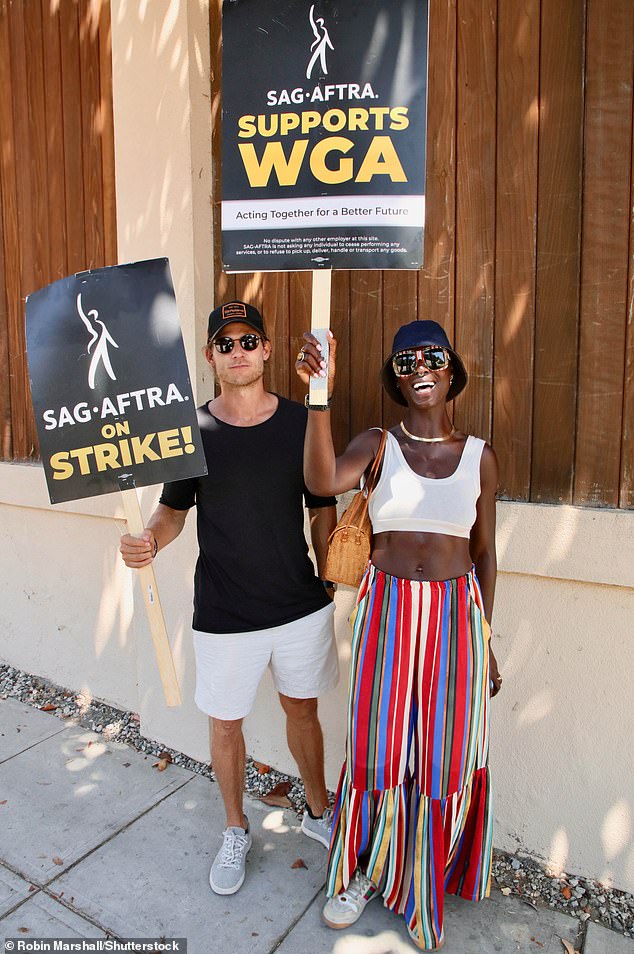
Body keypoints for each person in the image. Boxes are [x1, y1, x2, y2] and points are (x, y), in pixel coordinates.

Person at [120, 300, 339, 896]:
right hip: (224, 611)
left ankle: (319, 813)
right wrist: (149, 542)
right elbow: (172, 511)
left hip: (298, 601)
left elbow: (323, 505)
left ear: (266, 350)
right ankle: (237, 828)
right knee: (225, 725)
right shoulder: (192, 430)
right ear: (211, 356)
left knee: (303, 712)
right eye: (225, 343)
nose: (238, 351)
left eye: (248, 340)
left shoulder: (301, 421)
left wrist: (331, 575)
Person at [295, 319, 502, 951]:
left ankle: (424, 876)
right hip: (388, 607)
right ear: (396, 374)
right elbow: (324, 481)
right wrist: (318, 395)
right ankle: (363, 871)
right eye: (407, 359)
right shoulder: (378, 443)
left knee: (444, 749)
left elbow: (486, 550)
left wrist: (486, 638)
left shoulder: (480, 456)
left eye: (432, 356)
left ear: (451, 369)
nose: (421, 367)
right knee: (380, 744)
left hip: (455, 616)